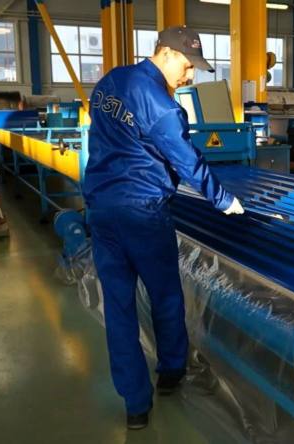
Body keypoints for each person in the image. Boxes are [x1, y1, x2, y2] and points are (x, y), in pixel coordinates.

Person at [82, 26, 244, 430]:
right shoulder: (162, 105)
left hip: (101, 209)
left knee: (118, 308)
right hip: (142, 214)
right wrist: (224, 200)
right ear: (166, 53)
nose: (189, 76)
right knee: (166, 295)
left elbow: (105, 135)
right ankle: (171, 371)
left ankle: (135, 405)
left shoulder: (110, 82)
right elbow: (186, 160)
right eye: (188, 66)